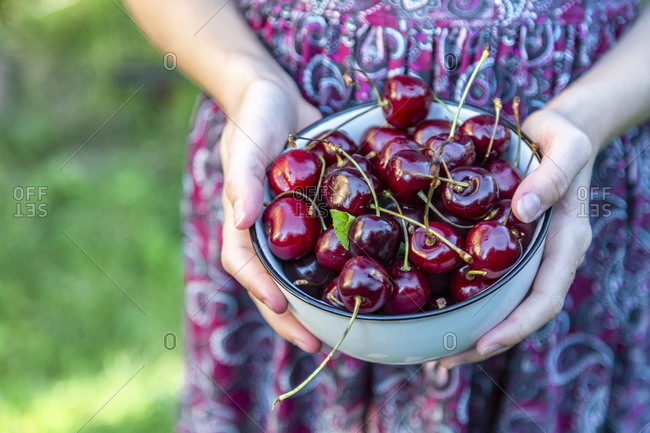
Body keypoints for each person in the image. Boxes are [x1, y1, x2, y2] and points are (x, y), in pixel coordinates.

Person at [125, 1, 650, 431]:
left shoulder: (466, 202)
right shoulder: (326, 199)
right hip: (274, 135)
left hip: (574, 159)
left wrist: (588, 116)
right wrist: (247, 82)